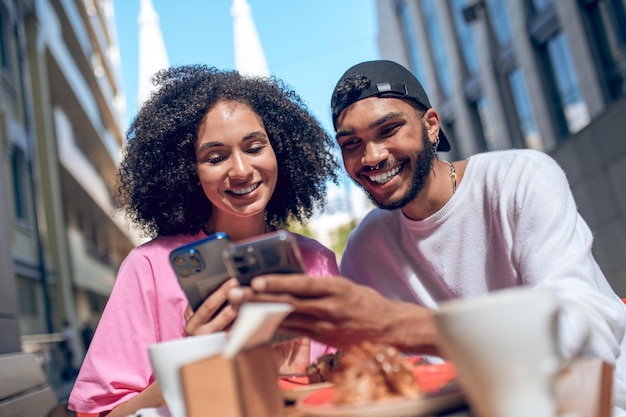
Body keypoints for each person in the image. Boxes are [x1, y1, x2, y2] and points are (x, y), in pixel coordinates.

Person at [227, 60, 626, 414]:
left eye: (389, 129)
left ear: (431, 125)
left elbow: (584, 334)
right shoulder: (366, 246)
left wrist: (399, 324)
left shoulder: (520, 178)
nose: (372, 156)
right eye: (352, 144)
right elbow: (376, 370)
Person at [68, 65, 340, 417]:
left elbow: (347, 387)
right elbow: (99, 414)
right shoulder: (149, 267)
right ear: (186, 171)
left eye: (255, 147)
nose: (241, 170)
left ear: (280, 150)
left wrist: (295, 381)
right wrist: (195, 362)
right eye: (216, 157)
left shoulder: (317, 261)